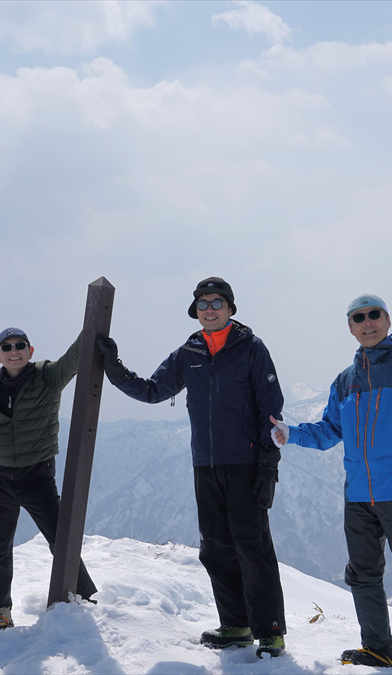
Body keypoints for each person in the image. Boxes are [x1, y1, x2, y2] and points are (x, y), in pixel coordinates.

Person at [270, 294, 392, 673]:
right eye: (358, 318)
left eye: (374, 315)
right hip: (358, 494)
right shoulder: (346, 380)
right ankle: (377, 649)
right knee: (362, 575)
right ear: (350, 327)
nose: (367, 322)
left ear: (388, 320)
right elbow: (330, 429)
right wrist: (291, 433)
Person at [96, 276, 287, 659]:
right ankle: (236, 626)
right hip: (206, 464)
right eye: (203, 303)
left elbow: (271, 409)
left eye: (217, 302)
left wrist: (268, 464)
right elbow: (153, 390)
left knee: (252, 547)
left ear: (230, 308)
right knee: (216, 547)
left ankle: (270, 632)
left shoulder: (251, 348)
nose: (210, 309)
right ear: (195, 311)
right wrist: (114, 367)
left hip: (246, 462)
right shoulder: (189, 352)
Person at [0, 327, 98, 637]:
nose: (14, 351)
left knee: (59, 538)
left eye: (20, 345)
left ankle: (85, 597)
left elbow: (74, 357)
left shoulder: (47, 377)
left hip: (36, 476)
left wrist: (94, 323)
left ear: (30, 350)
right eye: (7, 347)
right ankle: (0, 611)